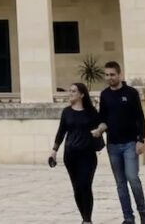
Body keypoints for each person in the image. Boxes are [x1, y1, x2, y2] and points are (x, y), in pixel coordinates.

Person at [94, 60, 145, 224]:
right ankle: (128, 217)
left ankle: (143, 212)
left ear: (119, 75)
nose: (109, 77)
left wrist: (141, 139)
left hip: (130, 143)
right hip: (113, 145)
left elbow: (140, 118)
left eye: (112, 74)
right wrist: (100, 129)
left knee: (132, 178)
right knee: (120, 183)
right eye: (107, 75)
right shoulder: (105, 95)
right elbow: (103, 118)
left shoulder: (131, 93)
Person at [50, 82, 103, 224]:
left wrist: (98, 131)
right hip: (70, 155)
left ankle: (87, 220)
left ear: (82, 94)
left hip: (87, 155)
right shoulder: (66, 112)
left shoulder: (91, 112)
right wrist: (54, 151)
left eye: (73, 91)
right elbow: (61, 132)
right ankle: (84, 218)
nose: (70, 93)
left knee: (86, 185)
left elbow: (101, 125)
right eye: (70, 90)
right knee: (77, 187)